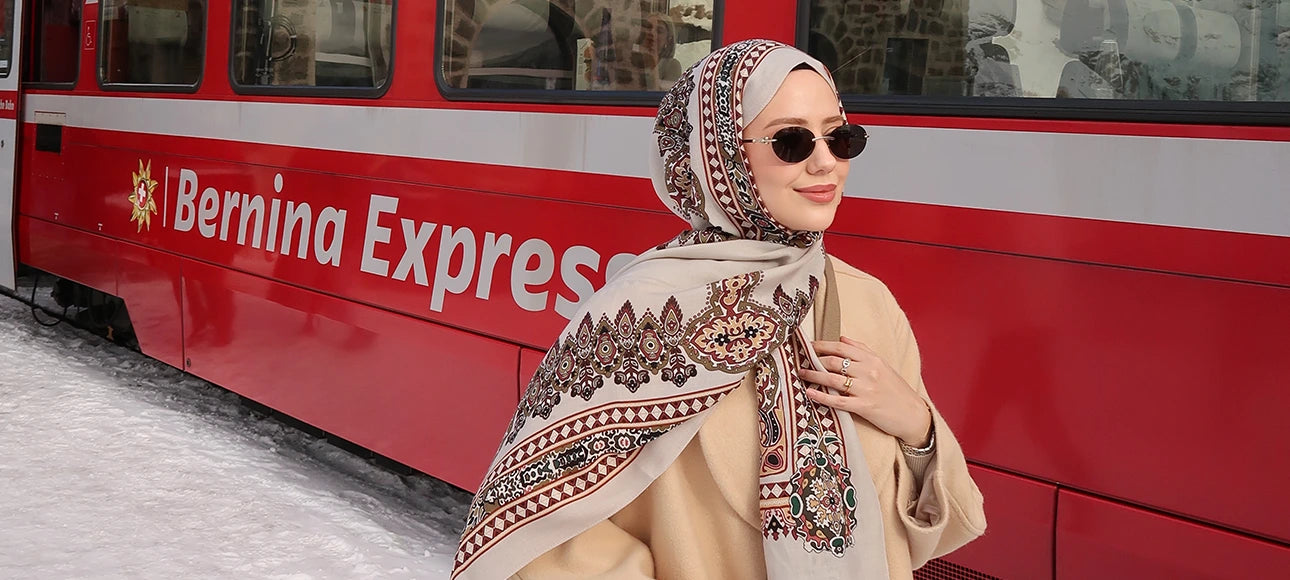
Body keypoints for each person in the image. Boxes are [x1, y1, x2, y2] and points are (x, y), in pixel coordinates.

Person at [453, 39, 986, 580]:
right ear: (720, 156)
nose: (827, 162)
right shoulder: (638, 316)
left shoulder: (867, 302)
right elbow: (537, 534)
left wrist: (917, 427)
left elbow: (909, 536)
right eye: (791, 141)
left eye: (840, 136)